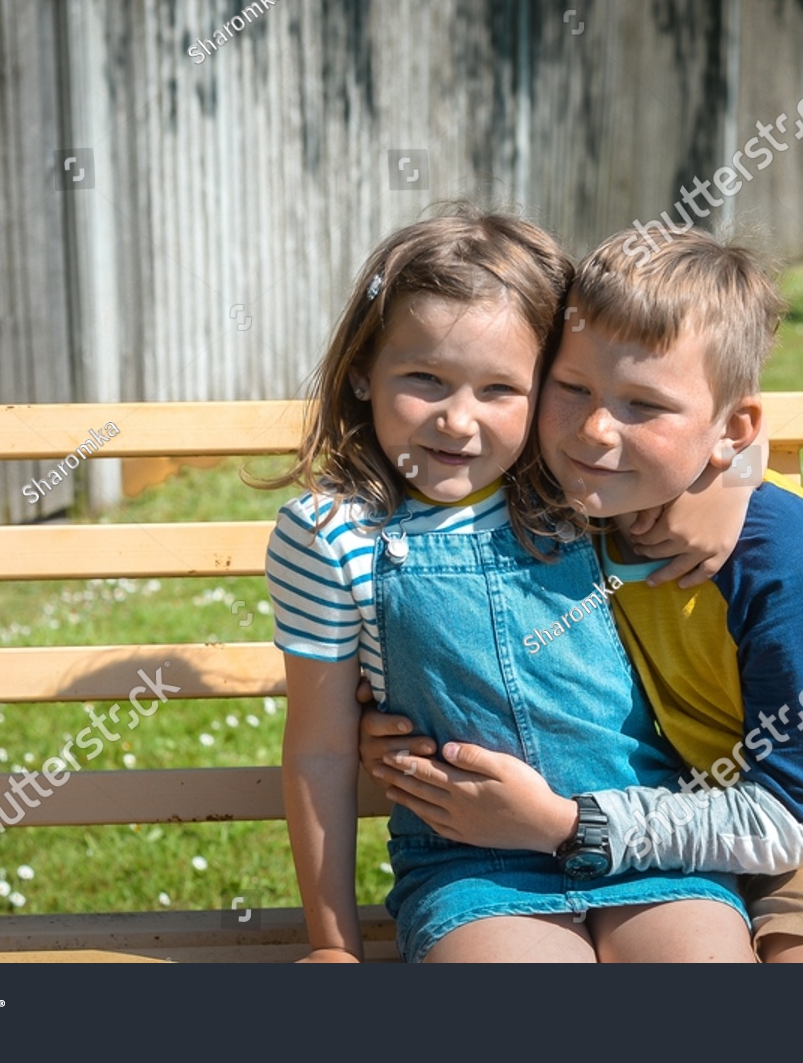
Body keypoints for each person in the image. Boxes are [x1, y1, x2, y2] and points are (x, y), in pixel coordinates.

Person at [366, 227, 803, 963]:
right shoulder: (557, 504)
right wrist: (386, 714)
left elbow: (784, 808)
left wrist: (569, 824)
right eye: (572, 388)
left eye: (643, 405)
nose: (594, 429)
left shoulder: (784, 556)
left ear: (731, 430)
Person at [261, 207, 752, 963]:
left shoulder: (573, 485)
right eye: (425, 378)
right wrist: (334, 947)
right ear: (362, 370)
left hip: (643, 836)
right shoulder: (332, 536)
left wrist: (731, 489)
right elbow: (320, 751)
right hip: (473, 864)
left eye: (500, 389)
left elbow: (711, 426)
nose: (458, 421)